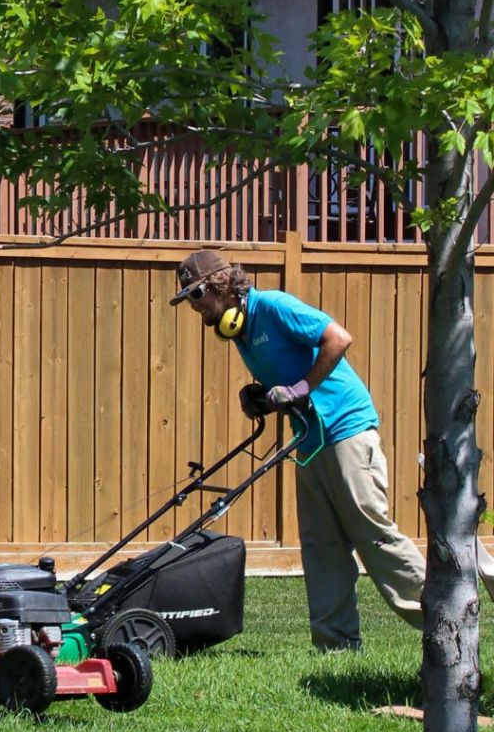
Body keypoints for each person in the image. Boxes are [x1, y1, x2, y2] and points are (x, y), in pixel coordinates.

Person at [171, 249, 425, 651]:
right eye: (189, 300)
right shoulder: (240, 331)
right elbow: (284, 381)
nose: (196, 308)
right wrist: (260, 397)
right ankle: (335, 646)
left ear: (221, 285)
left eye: (197, 295)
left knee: (372, 535)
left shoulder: (274, 306)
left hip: (346, 429)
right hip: (309, 441)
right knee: (321, 546)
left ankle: (446, 621)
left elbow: (338, 339)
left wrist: (301, 388)